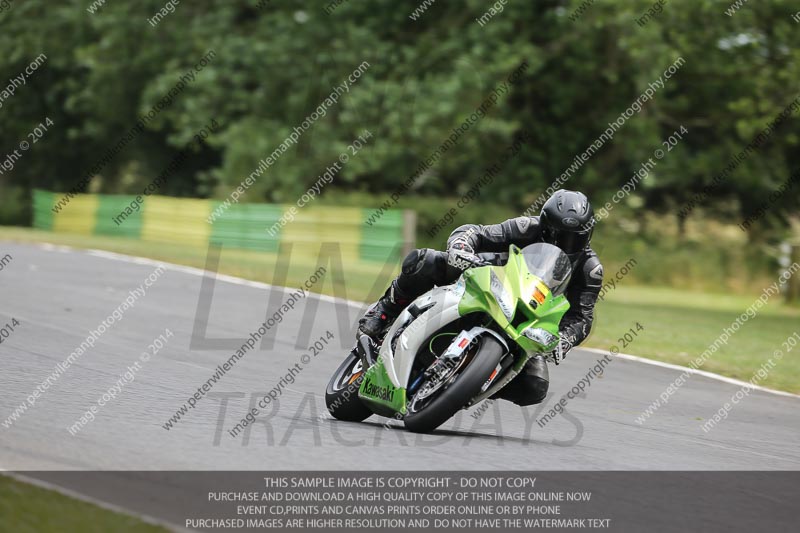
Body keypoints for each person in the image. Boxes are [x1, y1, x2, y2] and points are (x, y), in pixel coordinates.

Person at [357, 189, 603, 406]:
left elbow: (582, 317)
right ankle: (384, 311)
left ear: (588, 234)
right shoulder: (525, 227)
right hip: (485, 281)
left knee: (535, 386)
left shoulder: (589, 269)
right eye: (558, 235)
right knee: (425, 261)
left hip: (527, 320)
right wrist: (461, 247)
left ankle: (471, 382)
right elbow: (476, 232)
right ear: (544, 225)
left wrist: (565, 339)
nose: (565, 244)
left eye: (576, 238)